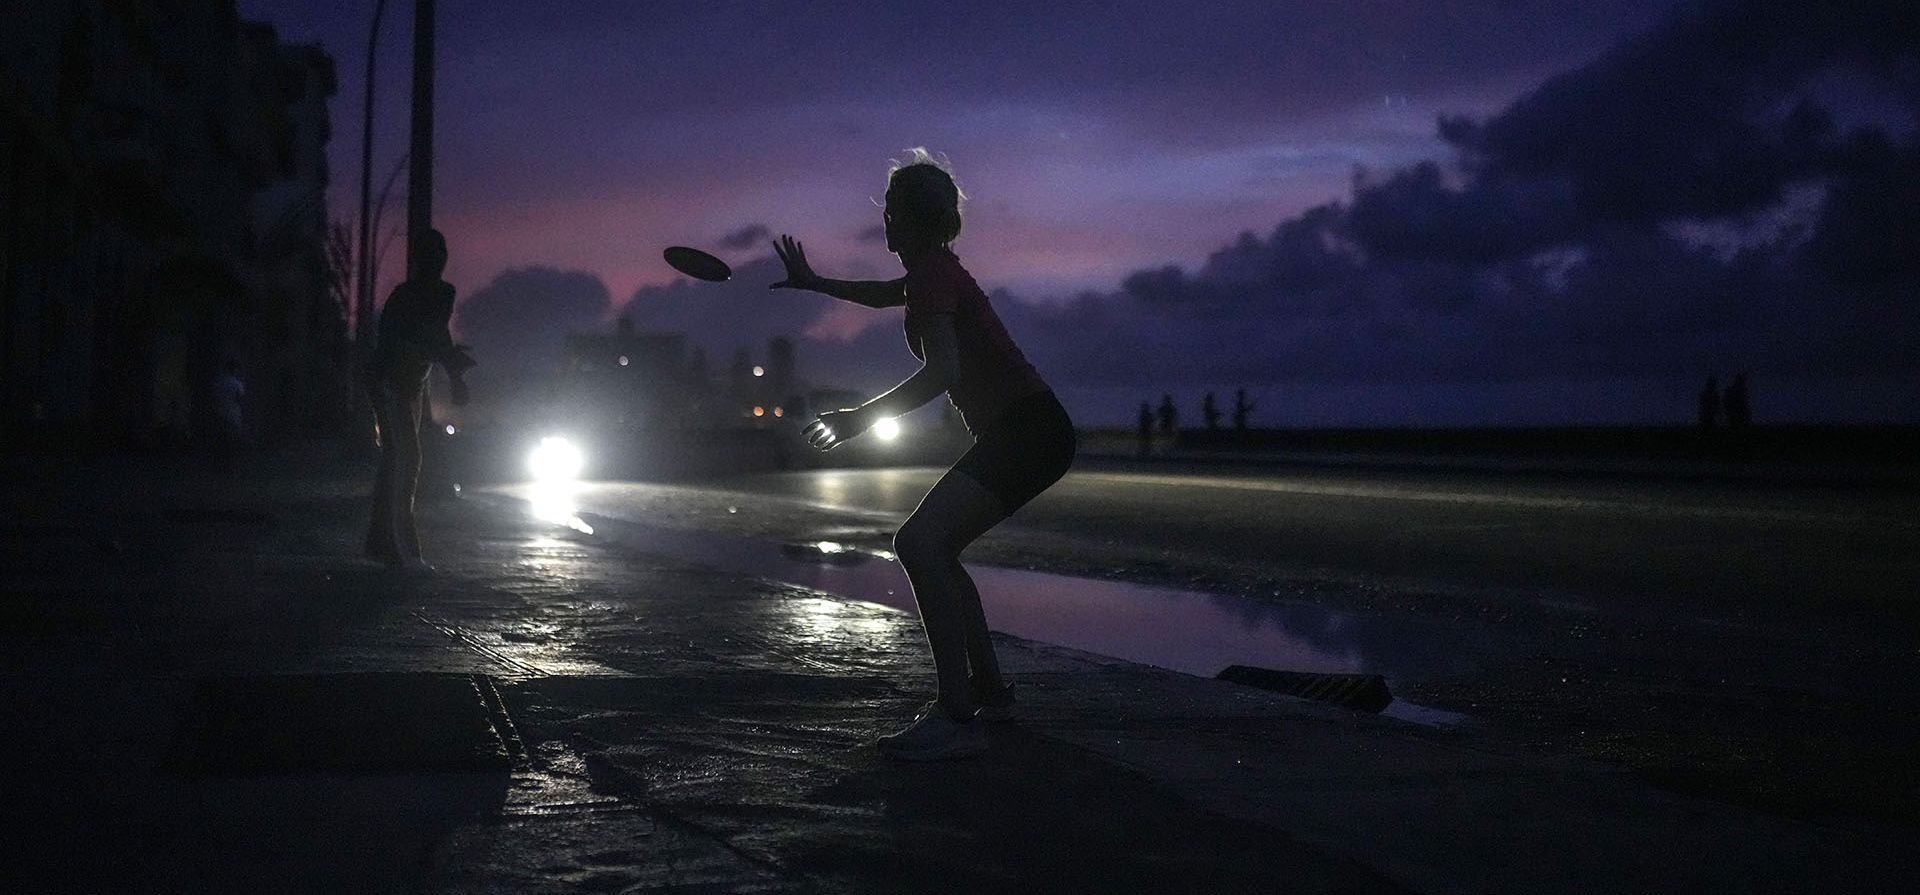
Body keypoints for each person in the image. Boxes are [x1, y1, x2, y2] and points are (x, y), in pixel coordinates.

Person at [771, 149, 1074, 760]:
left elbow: (942, 372)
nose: (883, 222)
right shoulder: (933, 273)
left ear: (909, 219)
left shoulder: (935, 276)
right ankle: (988, 692)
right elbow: (888, 294)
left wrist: (859, 418)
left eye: (888, 210)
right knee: (940, 549)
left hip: (1028, 432)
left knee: (919, 544)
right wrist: (816, 283)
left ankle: (955, 712)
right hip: (1030, 431)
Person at [365, 229, 474, 572]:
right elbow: (420, 339)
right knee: (405, 459)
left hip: (413, 384)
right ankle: (401, 551)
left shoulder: (443, 293)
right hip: (390, 381)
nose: (437, 260)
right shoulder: (405, 296)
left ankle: (384, 545)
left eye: (441, 253)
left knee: (399, 461)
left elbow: (437, 337)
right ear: (417, 260)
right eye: (430, 254)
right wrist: (451, 365)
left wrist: (455, 373)